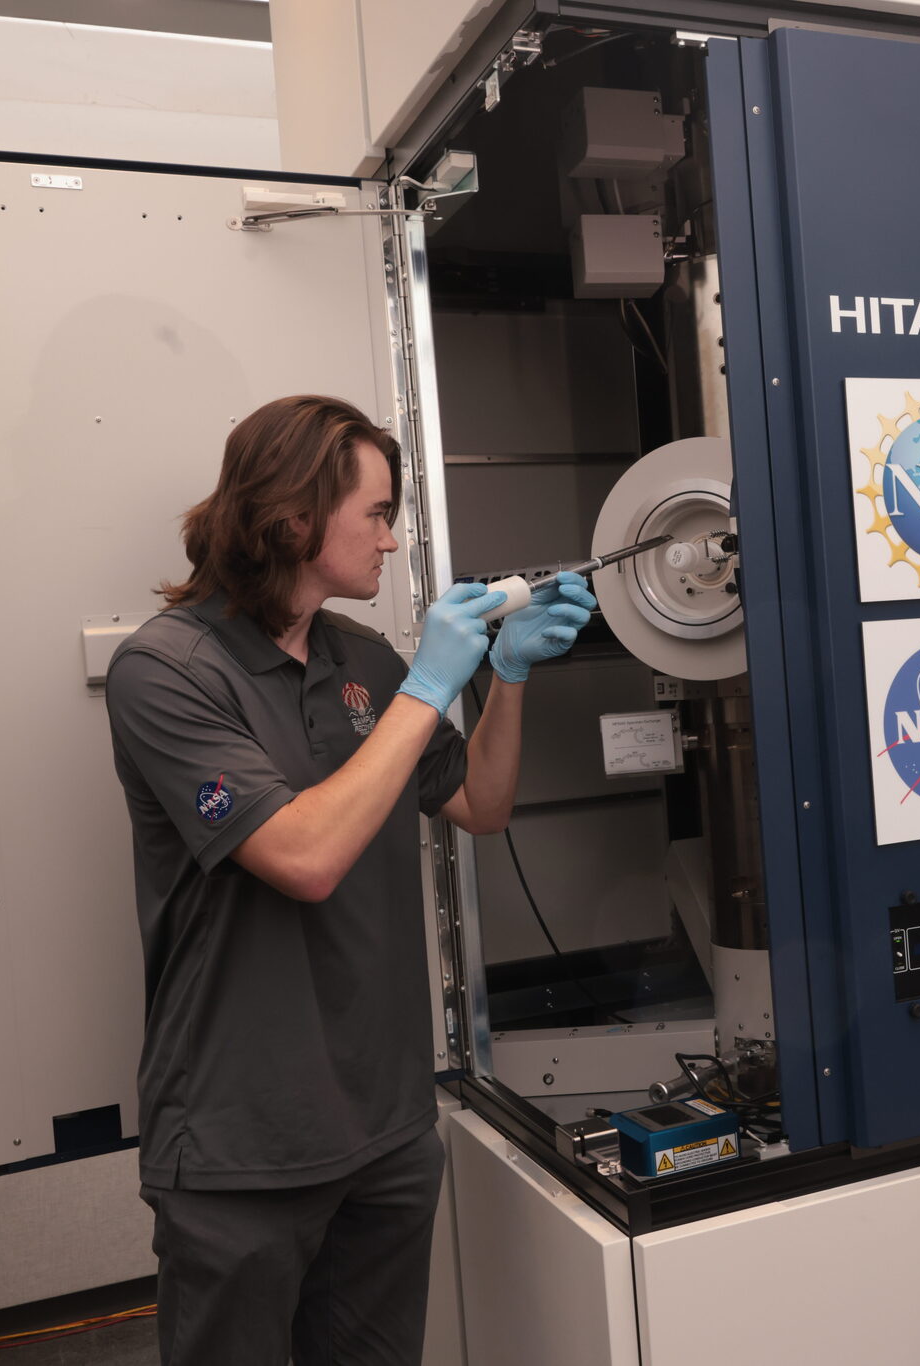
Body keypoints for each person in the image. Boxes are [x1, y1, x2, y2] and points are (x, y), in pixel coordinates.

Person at [104, 394, 593, 1365]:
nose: (393, 539)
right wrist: (428, 686)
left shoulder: (361, 660)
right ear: (293, 519)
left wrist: (509, 673)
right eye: (375, 513)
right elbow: (303, 857)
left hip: (385, 1129)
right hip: (241, 1144)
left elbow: (480, 804)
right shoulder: (166, 673)